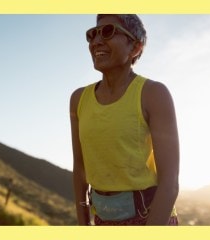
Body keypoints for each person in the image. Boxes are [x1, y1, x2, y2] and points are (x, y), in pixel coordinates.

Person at [70, 14, 180, 226]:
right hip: (102, 221)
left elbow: (170, 183)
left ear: (136, 48)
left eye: (108, 31)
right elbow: (80, 168)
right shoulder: (78, 99)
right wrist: (83, 225)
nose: (96, 41)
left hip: (152, 219)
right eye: (92, 34)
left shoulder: (154, 94)